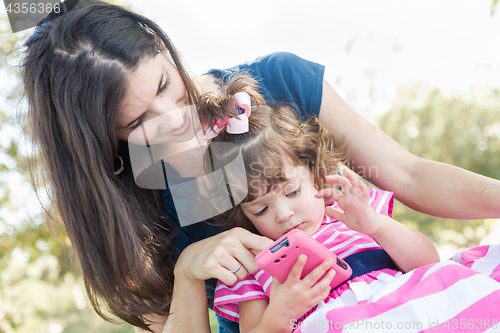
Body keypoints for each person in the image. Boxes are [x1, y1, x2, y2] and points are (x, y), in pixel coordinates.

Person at [19, 0, 500, 332]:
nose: (173, 120)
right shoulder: (124, 202)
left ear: (158, 42)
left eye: (165, 85)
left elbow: (408, 175)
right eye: (138, 121)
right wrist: (189, 272)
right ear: (104, 138)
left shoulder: (278, 80)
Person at [197, 76, 439, 332]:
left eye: (292, 192)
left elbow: (429, 264)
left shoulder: (356, 217)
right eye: (261, 209)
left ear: (313, 172)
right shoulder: (253, 267)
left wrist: (376, 225)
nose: (284, 214)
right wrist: (280, 314)